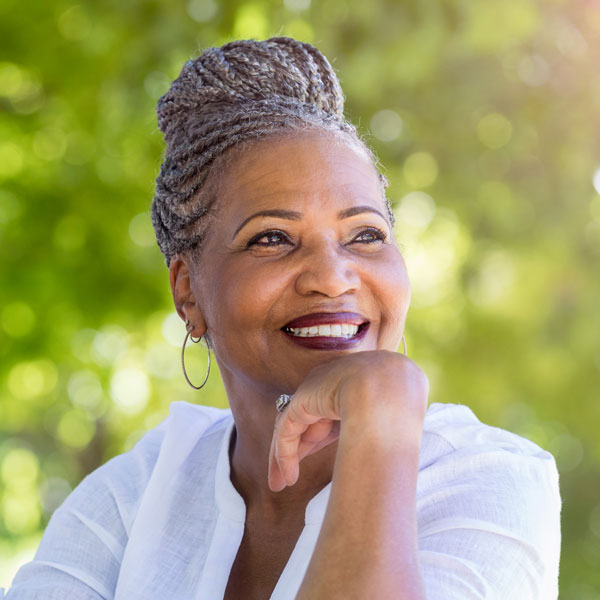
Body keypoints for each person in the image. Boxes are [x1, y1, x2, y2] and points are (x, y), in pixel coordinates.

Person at [4, 37, 561, 600]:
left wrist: (381, 421)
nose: (333, 275)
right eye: (271, 238)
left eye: (365, 235)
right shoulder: (130, 500)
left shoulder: (488, 482)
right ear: (188, 293)